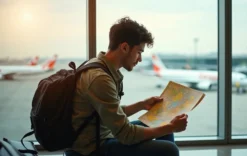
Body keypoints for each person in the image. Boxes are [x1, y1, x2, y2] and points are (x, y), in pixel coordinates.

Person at [68, 16, 188, 156]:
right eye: (139, 52)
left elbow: (110, 113)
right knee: (169, 149)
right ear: (124, 47)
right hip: (92, 147)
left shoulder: (100, 66)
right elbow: (126, 135)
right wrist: (171, 128)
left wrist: (142, 105)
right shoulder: (100, 79)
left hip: (102, 133)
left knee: (162, 122)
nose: (140, 59)